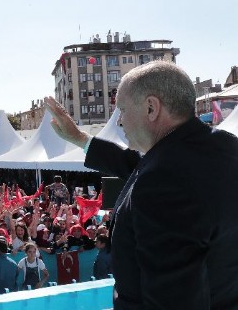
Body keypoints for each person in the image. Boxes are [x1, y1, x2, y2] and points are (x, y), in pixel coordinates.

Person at [44, 60, 238, 309]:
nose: (120, 122)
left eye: (122, 110)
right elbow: (143, 166)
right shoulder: (223, 148)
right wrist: (81, 140)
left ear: (151, 108)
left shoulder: (163, 182)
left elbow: (171, 299)